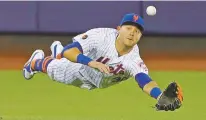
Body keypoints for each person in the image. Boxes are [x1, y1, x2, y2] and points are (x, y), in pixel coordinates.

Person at [23, 13, 183, 111]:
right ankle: (34, 62)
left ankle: (57, 52)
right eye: (128, 28)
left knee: (61, 56)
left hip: (95, 82)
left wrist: (159, 95)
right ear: (118, 28)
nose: (132, 33)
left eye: (137, 31)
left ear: (140, 37)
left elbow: (145, 81)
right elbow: (70, 51)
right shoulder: (100, 36)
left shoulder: (134, 59)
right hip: (79, 69)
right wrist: (91, 63)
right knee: (52, 68)